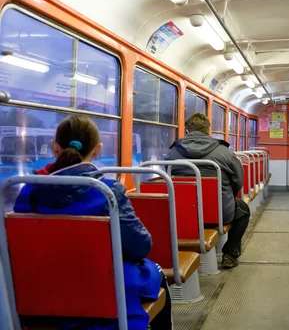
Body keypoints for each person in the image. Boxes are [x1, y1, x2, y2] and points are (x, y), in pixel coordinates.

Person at [14, 115, 171, 330]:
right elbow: (140, 246)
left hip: (44, 287)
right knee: (156, 271)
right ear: (97, 150)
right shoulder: (108, 193)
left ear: (54, 147)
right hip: (100, 287)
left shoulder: (28, 192)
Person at [165, 113, 249, 269]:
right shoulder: (224, 152)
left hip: (181, 213)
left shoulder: (172, 153)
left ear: (187, 131)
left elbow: (167, 179)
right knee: (243, 210)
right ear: (208, 131)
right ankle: (230, 254)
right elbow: (238, 180)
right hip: (219, 213)